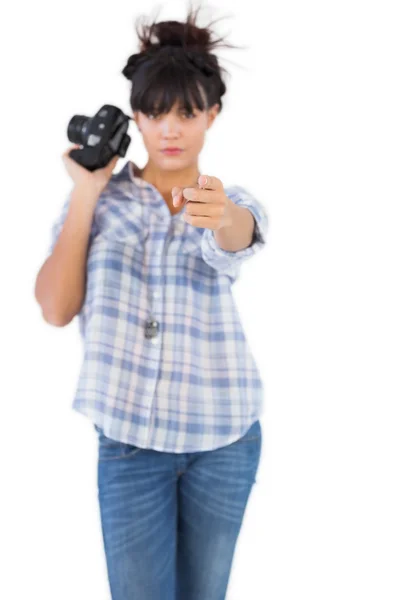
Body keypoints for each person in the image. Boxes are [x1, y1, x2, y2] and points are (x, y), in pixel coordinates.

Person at [34, 4, 269, 599]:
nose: (171, 130)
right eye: (156, 113)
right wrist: (87, 193)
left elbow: (238, 235)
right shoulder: (97, 205)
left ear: (212, 116)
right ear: (135, 118)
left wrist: (225, 218)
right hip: (130, 444)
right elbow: (56, 309)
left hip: (224, 438)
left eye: (188, 113)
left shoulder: (224, 200)